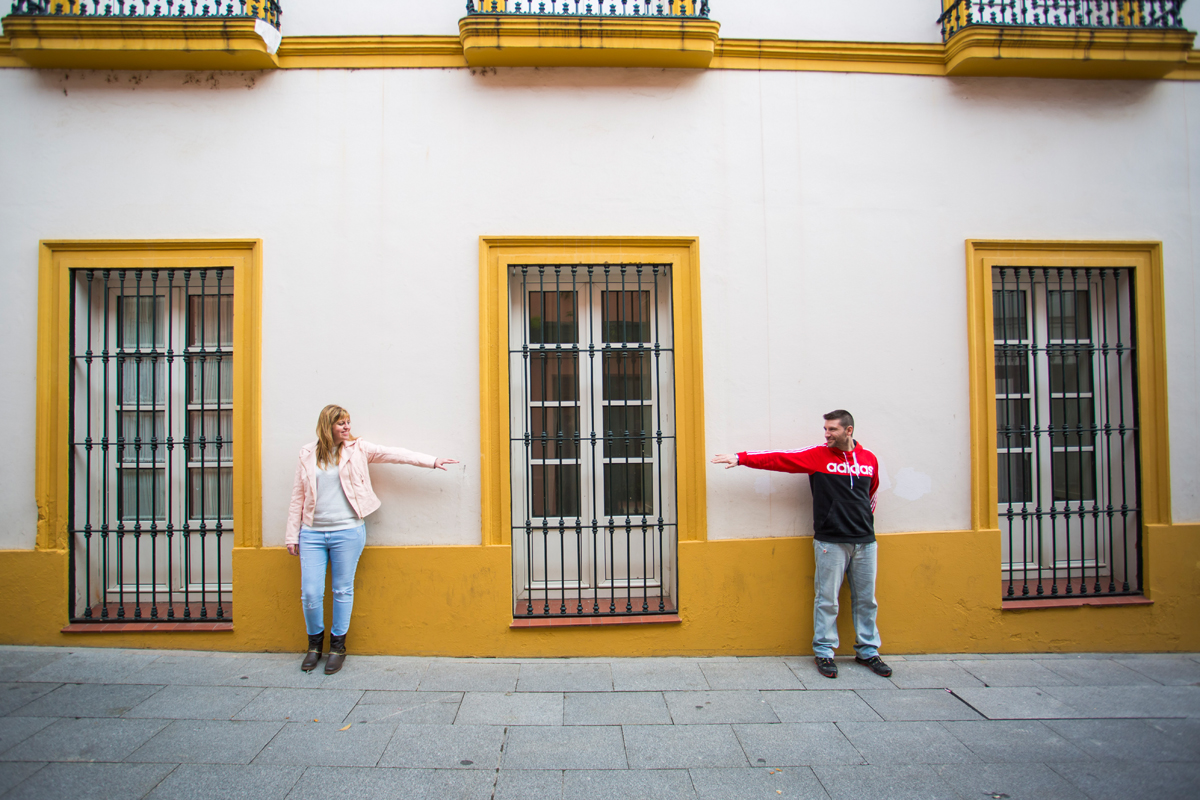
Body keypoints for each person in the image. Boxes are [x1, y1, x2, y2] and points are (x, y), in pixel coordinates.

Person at [711, 410, 890, 680]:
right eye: (825, 429)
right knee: (827, 600)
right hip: (830, 541)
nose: (826, 434)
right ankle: (825, 652)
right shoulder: (818, 456)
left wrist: (863, 522)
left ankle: (867, 651)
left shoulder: (869, 459)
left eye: (832, 430)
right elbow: (781, 458)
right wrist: (741, 458)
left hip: (865, 542)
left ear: (849, 431)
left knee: (866, 600)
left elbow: (872, 494)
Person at [285, 404, 458, 674]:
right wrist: (291, 535)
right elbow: (298, 495)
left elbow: (395, 454)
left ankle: (337, 647)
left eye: (348, 423)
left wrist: (431, 461)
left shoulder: (358, 449)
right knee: (310, 594)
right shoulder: (307, 453)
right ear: (327, 425)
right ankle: (314, 646)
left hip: (347, 531)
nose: (347, 428)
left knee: (342, 590)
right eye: (341, 423)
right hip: (312, 533)